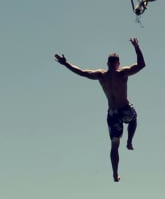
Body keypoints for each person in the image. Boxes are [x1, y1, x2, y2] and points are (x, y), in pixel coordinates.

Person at [54, 38, 145, 182]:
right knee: (134, 118)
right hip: (123, 108)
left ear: (108, 63)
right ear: (118, 63)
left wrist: (66, 64)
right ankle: (129, 142)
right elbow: (141, 65)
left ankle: (115, 173)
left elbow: (82, 72)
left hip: (113, 112)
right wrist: (136, 47)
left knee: (114, 145)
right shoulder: (122, 73)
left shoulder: (101, 75)